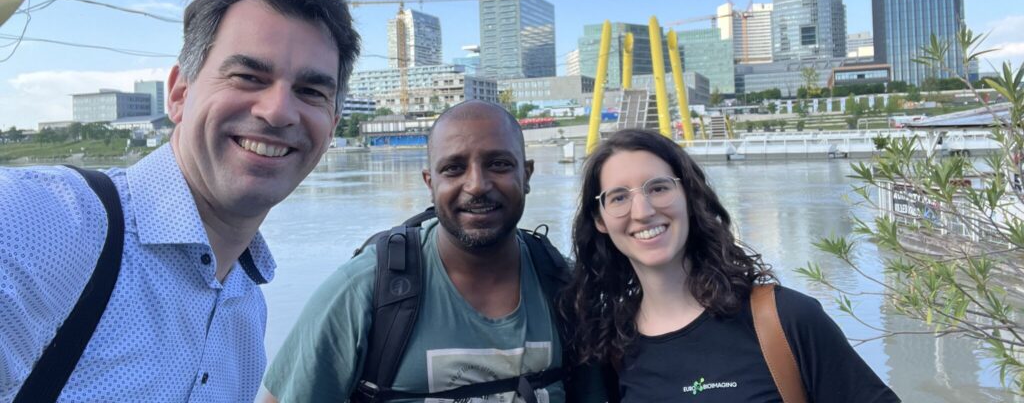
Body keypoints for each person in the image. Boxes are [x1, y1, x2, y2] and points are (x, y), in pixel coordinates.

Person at [0, 0, 360, 402]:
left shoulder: (246, 311)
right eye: (248, 77)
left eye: (311, 92)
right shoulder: (41, 225)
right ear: (179, 94)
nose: (279, 111)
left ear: (332, 124)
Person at [261, 100, 602, 403]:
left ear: (526, 175)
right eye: (453, 168)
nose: (477, 185)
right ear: (430, 183)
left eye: (498, 164)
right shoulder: (365, 290)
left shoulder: (566, 288)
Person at [561, 128, 900, 402]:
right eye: (619, 197)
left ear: (689, 197)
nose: (643, 210)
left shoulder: (783, 320)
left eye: (659, 188)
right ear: (600, 219)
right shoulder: (613, 348)